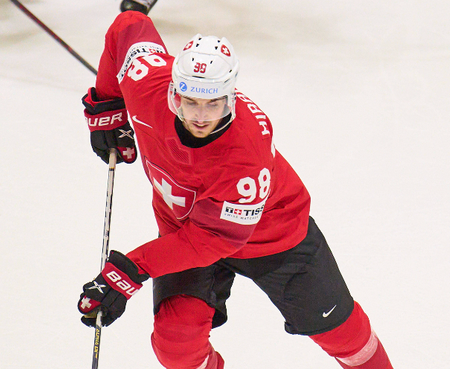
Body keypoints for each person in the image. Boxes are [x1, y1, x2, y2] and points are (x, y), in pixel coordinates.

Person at [77, 10, 394, 369]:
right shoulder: (146, 82)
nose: (200, 116)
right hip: (185, 233)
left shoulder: (245, 153)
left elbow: (214, 240)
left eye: (213, 102)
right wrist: (109, 108)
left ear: (230, 96)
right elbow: (128, 26)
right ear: (173, 89)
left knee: (344, 336)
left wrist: (131, 271)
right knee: (175, 345)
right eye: (190, 101)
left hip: (272, 238)